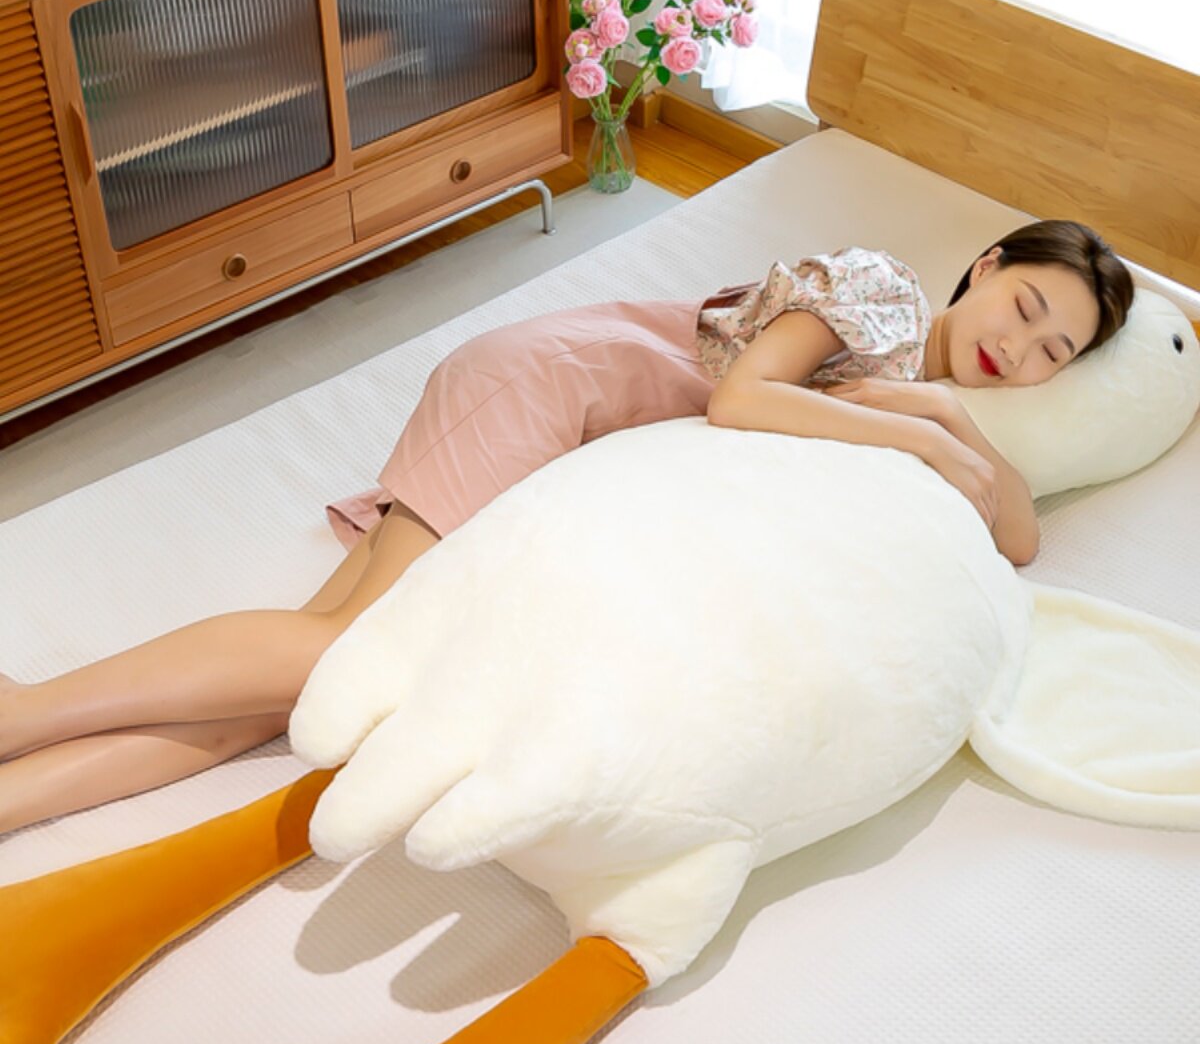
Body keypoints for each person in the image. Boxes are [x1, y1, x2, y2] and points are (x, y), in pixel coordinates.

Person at [0, 220, 1133, 834]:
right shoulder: (884, 289)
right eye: (1025, 306)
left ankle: (16, 798)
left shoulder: (926, 397)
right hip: (555, 388)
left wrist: (952, 421)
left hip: (566, 427)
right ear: (986, 263)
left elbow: (1019, 539)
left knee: (286, 696)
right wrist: (929, 433)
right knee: (341, 650)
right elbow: (740, 399)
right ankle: (25, 711)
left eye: (1055, 352)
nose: (1019, 348)